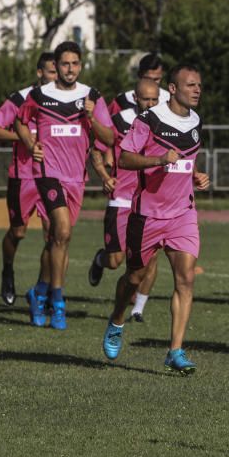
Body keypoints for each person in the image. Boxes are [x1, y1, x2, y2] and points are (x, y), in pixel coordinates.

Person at [101, 64, 210, 374]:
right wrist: (158, 159)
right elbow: (124, 158)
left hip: (183, 213)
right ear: (173, 89)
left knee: (185, 278)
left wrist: (195, 177)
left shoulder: (196, 121)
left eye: (199, 85)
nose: (197, 90)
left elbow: (186, 164)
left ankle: (175, 351)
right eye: (190, 85)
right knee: (134, 278)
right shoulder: (148, 120)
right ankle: (117, 319)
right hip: (147, 215)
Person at [15, 41, 114, 329]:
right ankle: (58, 303)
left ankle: (39, 292)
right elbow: (20, 122)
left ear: (80, 66)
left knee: (59, 239)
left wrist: (90, 116)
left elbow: (108, 138)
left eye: (75, 64)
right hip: (47, 172)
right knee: (63, 230)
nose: (70, 69)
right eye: (65, 64)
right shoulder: (39, 95)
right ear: (55, 67)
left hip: (76, 177)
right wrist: (31, 143)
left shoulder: (92, 96)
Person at [0, 52, 57, 306]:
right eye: (51, 72)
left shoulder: (66, 100)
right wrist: (24, 138)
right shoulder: (19, 98)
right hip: (23, 177)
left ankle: (43, 288)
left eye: (58, 72)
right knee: (18, 232)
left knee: (54, 235)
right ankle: (8, 269)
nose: (55, 77)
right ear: (39, 73)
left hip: (52, 176)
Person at [89, 79, 161, 323]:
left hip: (151, 201)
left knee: (150, 257)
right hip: (121, 199)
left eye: (154, 99)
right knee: (115, 260)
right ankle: (100, 259)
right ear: (136, 99)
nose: (150, 104)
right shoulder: (120, 121)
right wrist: (104, 176)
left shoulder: (165, 120)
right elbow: (97, 148)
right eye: (146, 99)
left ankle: (138, 309)